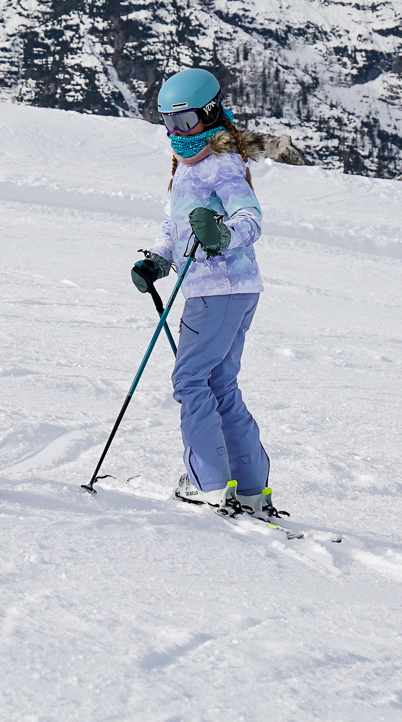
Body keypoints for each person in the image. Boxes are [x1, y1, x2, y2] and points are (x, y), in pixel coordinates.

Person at [129, 67, 285, 521]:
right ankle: (250, 488)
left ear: (211, 113)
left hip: (217, 291)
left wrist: (220, 237)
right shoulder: (187, 166)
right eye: (169, 123)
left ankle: (208, 483)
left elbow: (250, 220)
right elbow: (173, 226)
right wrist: (158, 259)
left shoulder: (222, 164)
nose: (178, 133)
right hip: (233, 290)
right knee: (219, 383)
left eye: (187, 122)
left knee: (190, 381)